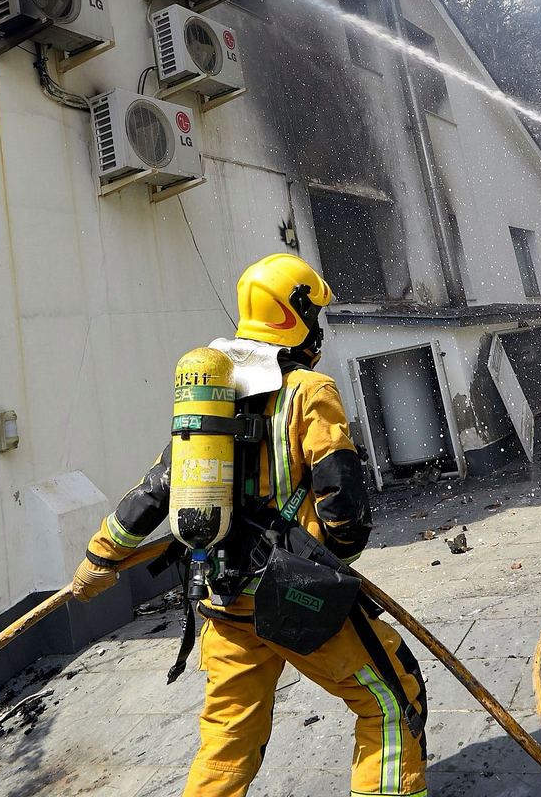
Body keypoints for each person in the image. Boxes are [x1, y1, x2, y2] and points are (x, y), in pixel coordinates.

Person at [67, 252, 428, 797]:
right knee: (391, 701)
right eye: (316, 316)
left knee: (227, 745)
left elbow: (156, 491)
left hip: (222, 600)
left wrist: (99, 560)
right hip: (293, 596)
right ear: (296, 314)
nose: (321, 331)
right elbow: (345, 505)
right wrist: (327, 563)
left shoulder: (211, 395)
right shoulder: (309, 390)